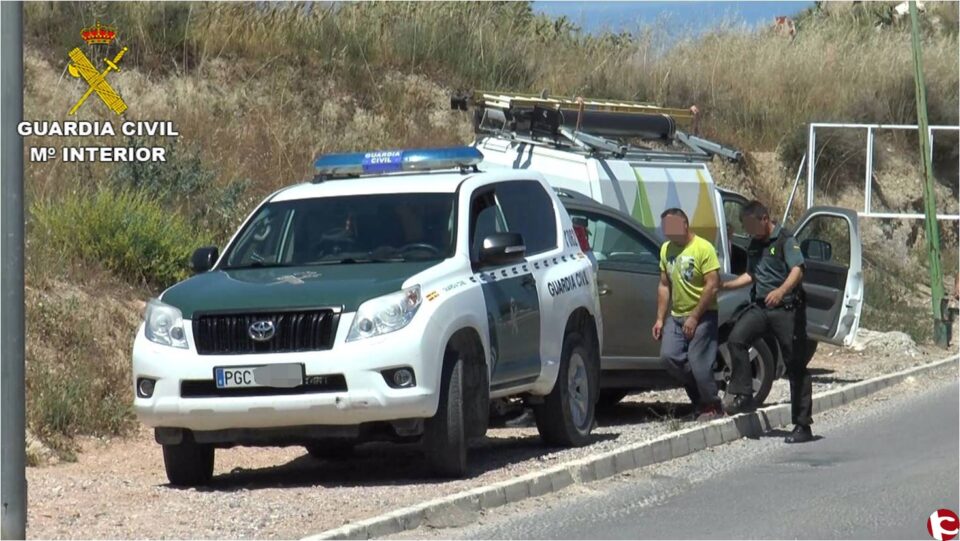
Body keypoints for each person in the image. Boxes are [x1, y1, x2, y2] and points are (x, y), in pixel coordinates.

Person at [721, 200, 813, 444]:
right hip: (761, 308)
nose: (749, 231)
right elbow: (752, 275)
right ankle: (743, 393)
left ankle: (803, 425)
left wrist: (781, 291)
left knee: (795, 365)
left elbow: (798, 270)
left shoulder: (785, 239)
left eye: (751, 225)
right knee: (736, 339)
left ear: (764, 218)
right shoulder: (754, 244)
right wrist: (726, 285)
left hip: (786, 310)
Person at [653, 208, 723, 421]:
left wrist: (694, 317)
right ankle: (705, 398)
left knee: (699, 362)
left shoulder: (703, 248)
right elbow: (664, 285)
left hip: (703, 315)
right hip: (676, 316)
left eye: (672, 227)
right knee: (669, 357)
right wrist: (659, 318)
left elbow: (713, 284)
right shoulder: (666, 249)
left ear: (685, 224)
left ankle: (710, 404)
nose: (668, 233)